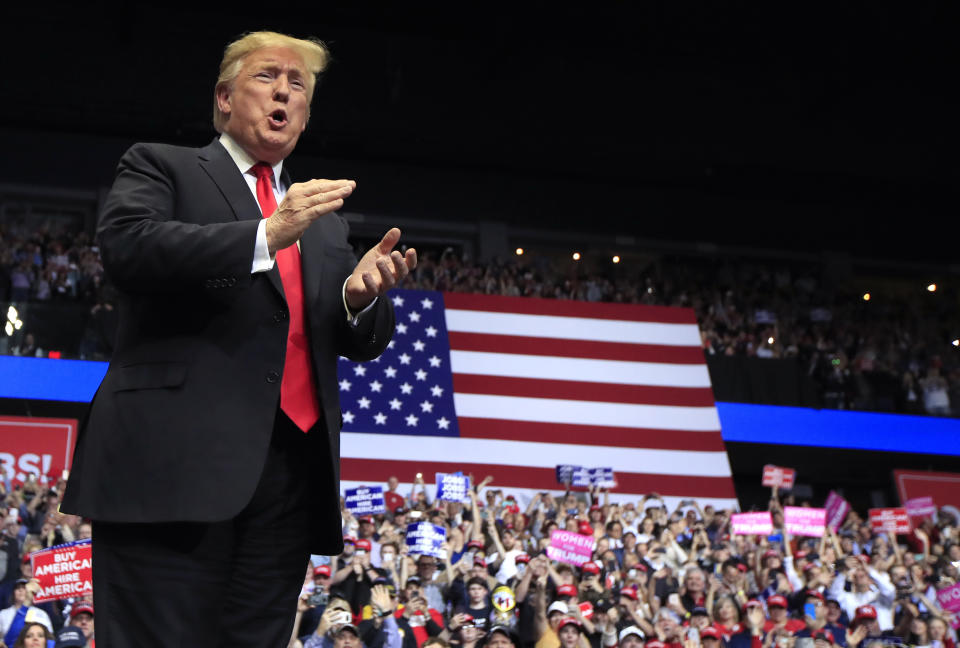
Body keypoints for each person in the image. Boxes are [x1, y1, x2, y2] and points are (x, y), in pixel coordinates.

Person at [60, 30, 416, 647]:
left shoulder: (324, 224)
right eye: (266, 77)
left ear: (304, 116)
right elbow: (128, 248)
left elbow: (357, 340)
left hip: (289, 478)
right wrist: (264, 235)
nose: (284, 91)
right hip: (171, 467)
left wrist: (360, 301)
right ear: (224, 99)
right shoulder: (162, 166)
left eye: (297, 84)